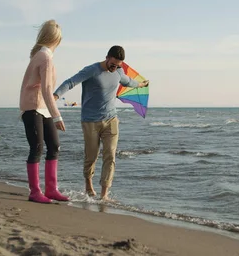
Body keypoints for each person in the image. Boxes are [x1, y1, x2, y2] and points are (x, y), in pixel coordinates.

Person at [53, 45, 149, 201]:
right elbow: (70, 82)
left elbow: (128, 82)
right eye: (113, 63)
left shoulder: (119, 71)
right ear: (107, 57)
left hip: (111, 119)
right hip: (90, 121)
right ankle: (88, 184)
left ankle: (104, 194)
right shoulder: (92, 70)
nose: (115, 67)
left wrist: (141, 84)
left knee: (110, 155)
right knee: (91, 156)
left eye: (118, 64)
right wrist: (55, 96)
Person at [19, 19, 69, 204]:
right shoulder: (45, 57)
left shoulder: (41, 55)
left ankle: (51, 189)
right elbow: (47, 89)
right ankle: (35, 192)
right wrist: (57, 115)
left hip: (42, 108)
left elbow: (45, 90)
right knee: (37, 148)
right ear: (56, 40)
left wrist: (51, 113)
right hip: (33, 107)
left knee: (54, 146)